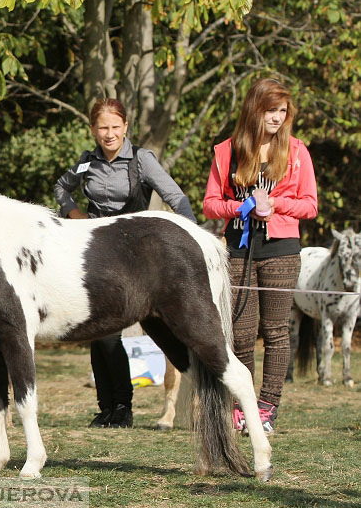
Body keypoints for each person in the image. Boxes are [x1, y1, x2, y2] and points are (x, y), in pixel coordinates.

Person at [54, 98, 195, 428]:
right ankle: (109, 409)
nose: (109, 133)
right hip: (94, 253)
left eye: (115, 127)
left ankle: (122, 407)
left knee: (113, 332)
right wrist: (75, 216)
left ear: (126, 127)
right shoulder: (87, 162)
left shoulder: (142, 160)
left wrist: (193, 236)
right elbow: (62, 188)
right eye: (102, 127)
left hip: (133, 257)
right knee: (98, 331)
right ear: (92, 129)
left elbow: (176, 197)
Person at [203, 78, 317, 434]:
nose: (278, 118)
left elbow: (310, 205)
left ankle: (268, 406)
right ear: (256, 110)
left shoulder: (297, 151)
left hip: (282, 251)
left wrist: (276, 204)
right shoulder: (226, 152)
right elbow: (209, 203)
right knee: (241, 332)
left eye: (283, 111)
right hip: (238, 249)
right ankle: (243, 405)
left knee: (277, 331)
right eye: (271, 110)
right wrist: (241, 208)